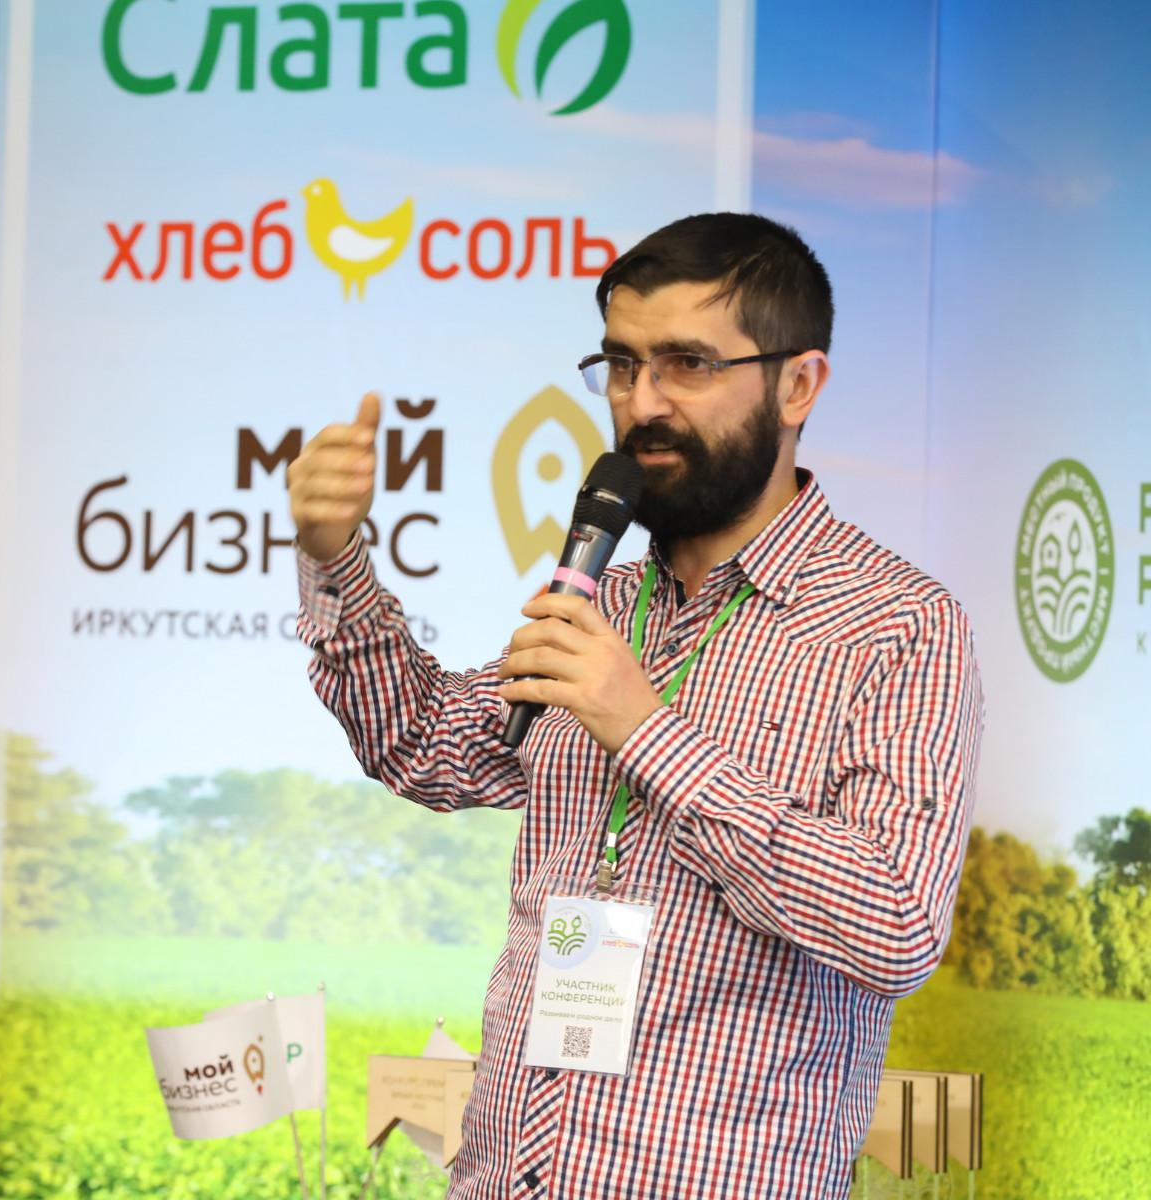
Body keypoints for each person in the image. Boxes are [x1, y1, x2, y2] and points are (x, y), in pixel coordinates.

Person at [287, 214, 984, 1199]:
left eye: (686, 365)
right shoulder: (601, 600)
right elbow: (424, 745)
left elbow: (896, 923)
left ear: (798, 385)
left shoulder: (899, 626)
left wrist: (648, 734)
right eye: (621, 366)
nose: (641, 404)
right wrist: (334, 555)